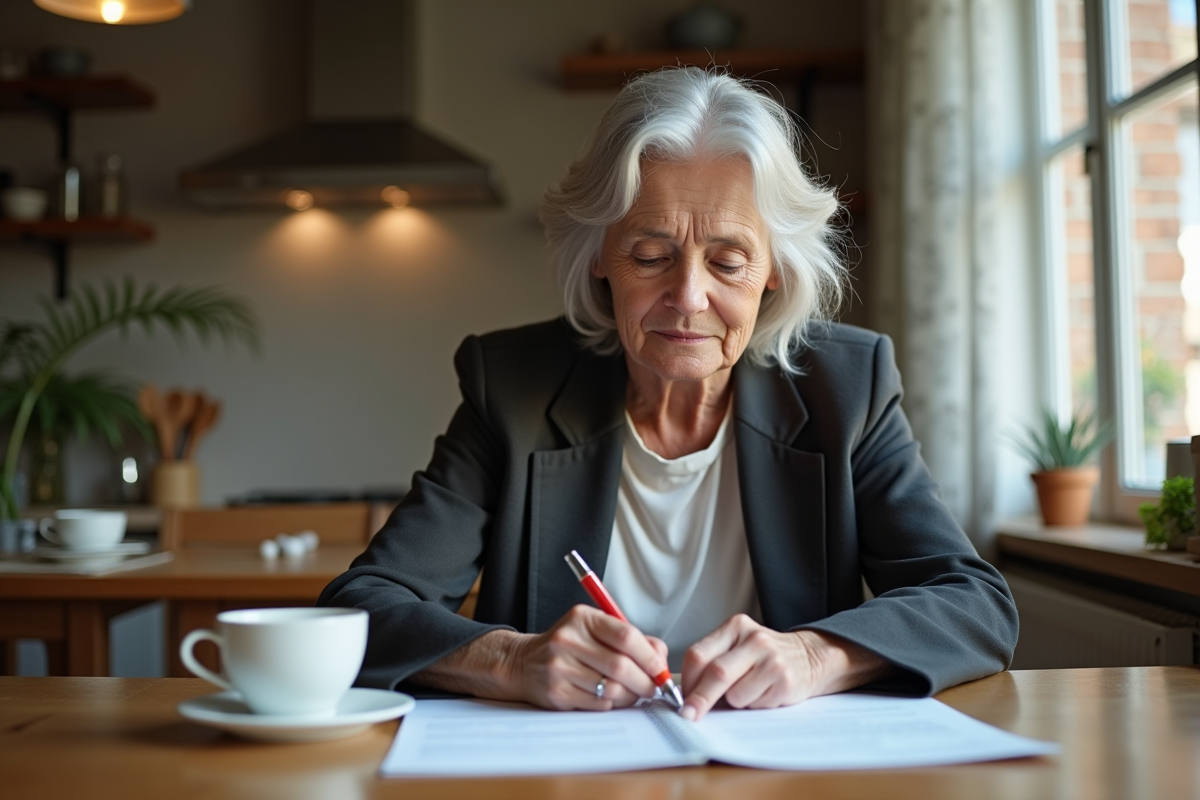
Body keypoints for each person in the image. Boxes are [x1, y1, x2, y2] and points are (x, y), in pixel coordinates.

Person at [318, 67, 1017, 722]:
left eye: (728, 261)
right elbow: (360, 608)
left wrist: (815, 656)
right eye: (650, 256)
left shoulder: (847, 389)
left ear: (774, 268)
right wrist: (509, 659)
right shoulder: (514, 387)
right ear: (599, 257)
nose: (688, 297)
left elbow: (974, 606)